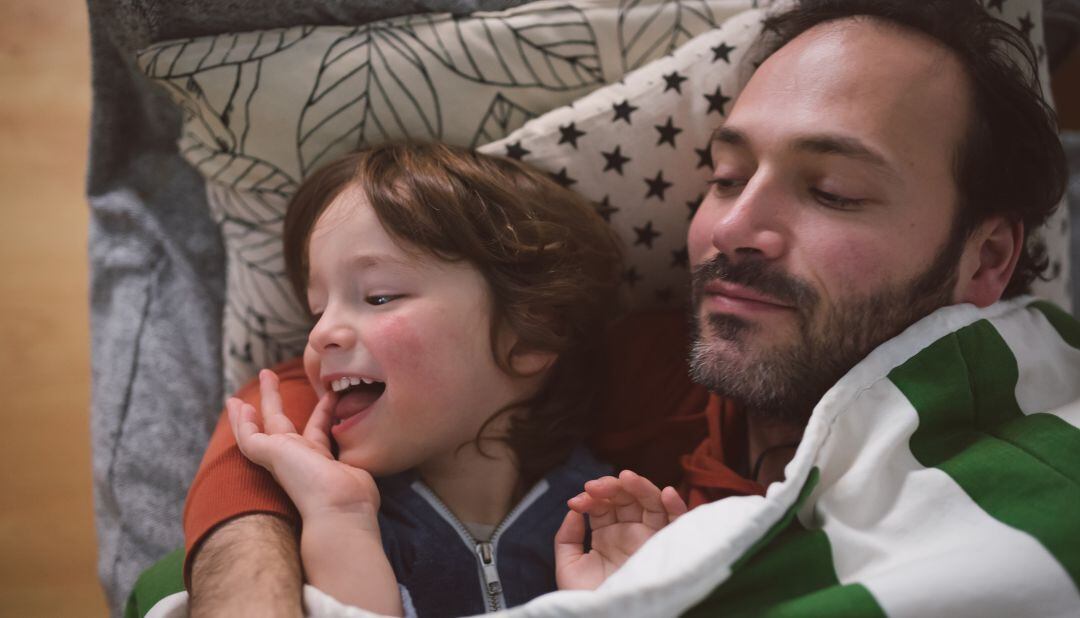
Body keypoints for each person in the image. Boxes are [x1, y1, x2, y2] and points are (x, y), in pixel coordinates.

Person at [182, 0, 1075, 615]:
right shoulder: (651, 377)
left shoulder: (1039, 450)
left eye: (833, 190)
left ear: (986, 257)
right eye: (723, 176)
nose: (734, 225)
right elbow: (304, 413)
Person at [213, 141, 687, 616]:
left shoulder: (613, 514)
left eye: (379, 297)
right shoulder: (345, 520)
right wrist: (340, 515)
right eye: (316, 312)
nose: (320, 335)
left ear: (529, 336)